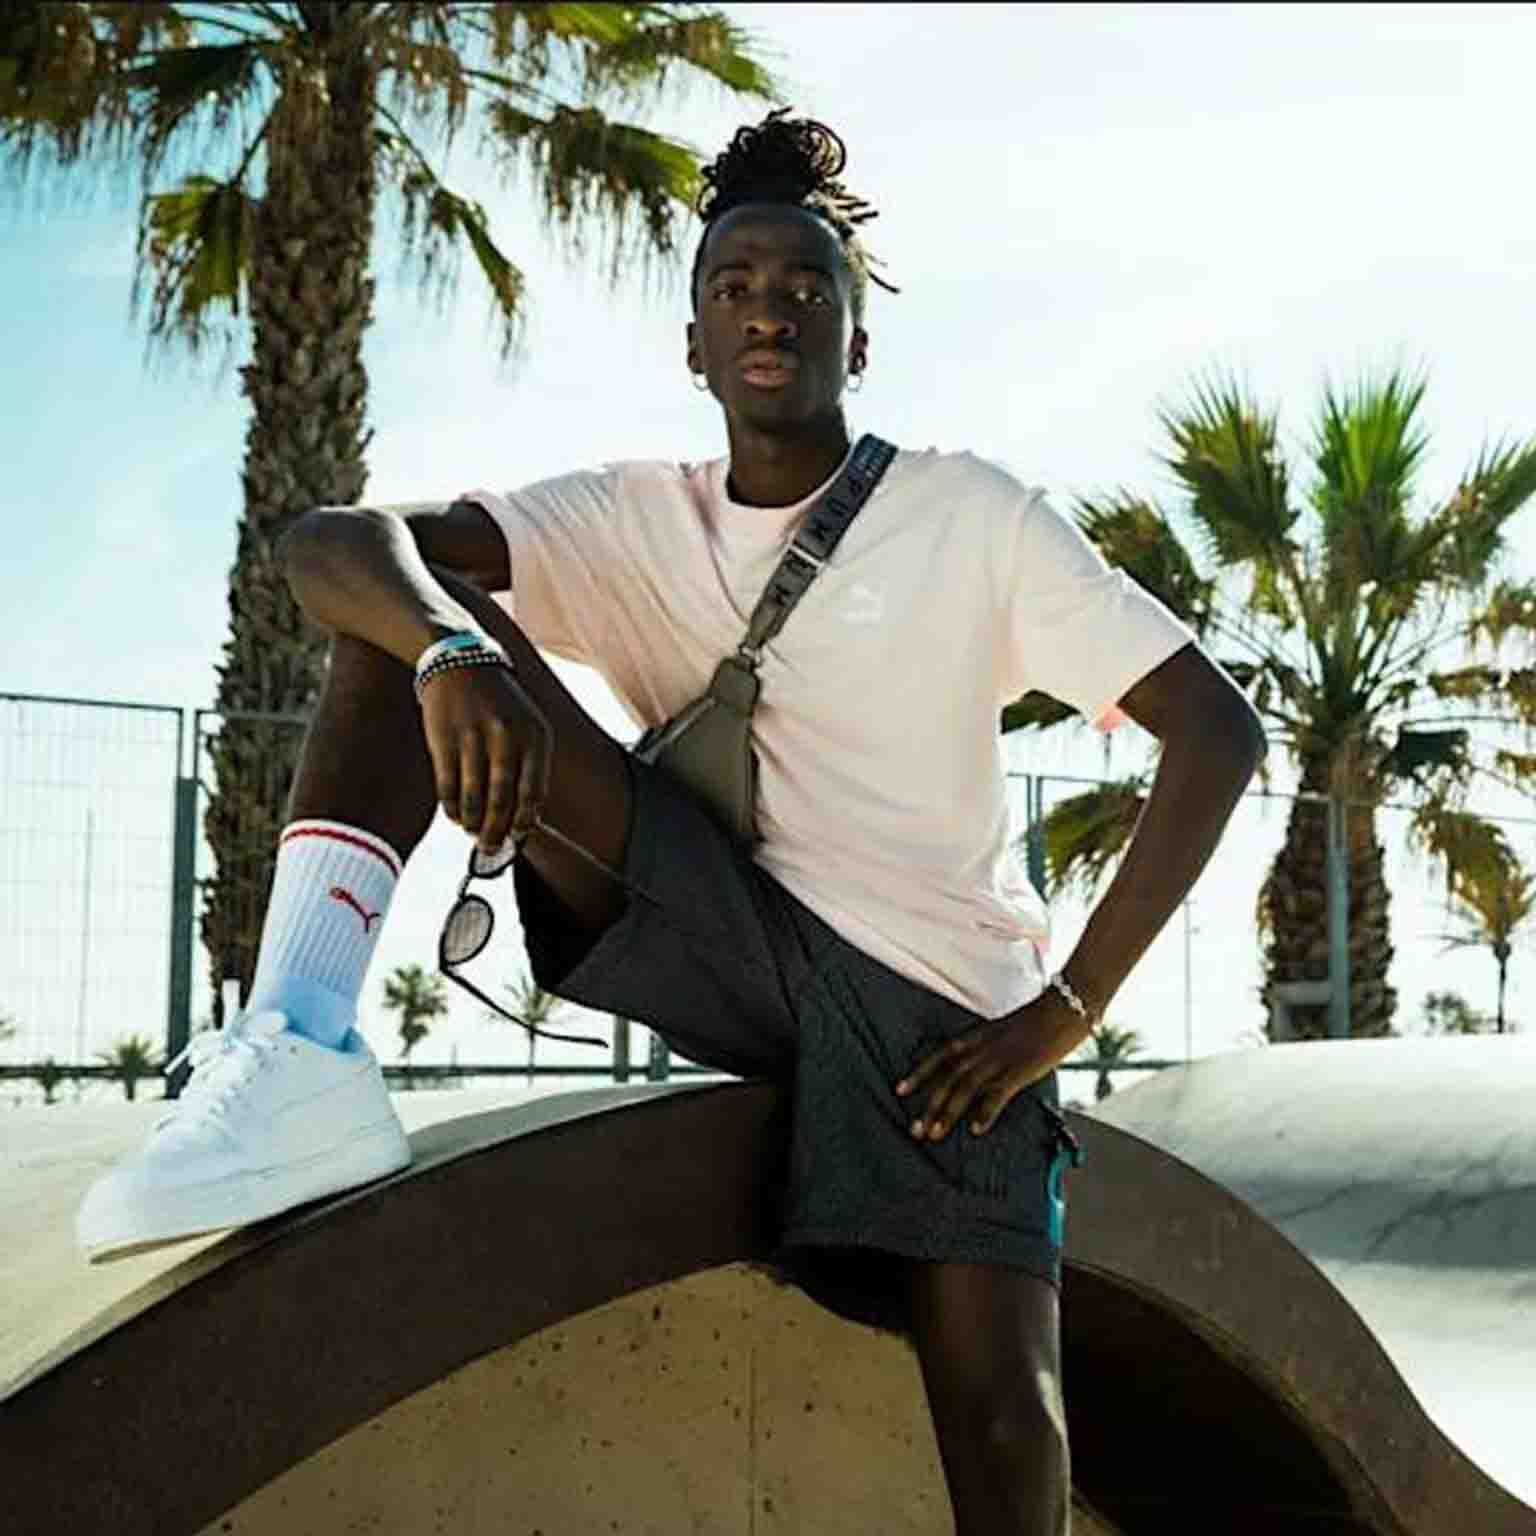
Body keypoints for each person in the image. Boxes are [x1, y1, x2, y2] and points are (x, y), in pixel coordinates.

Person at [77, 111, 1264, 1534]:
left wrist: (1063, 1013)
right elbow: (330, 543)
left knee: (1006, 1415)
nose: (771, 310)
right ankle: (298, 1040)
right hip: (728, 935)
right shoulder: (632, 518)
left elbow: (1220, 731)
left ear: (857, 342)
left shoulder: (970, 514)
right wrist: (453, 655)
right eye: (736, 286)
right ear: (695, 343)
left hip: (941, 1010)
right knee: (407, 614)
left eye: (807, 287)